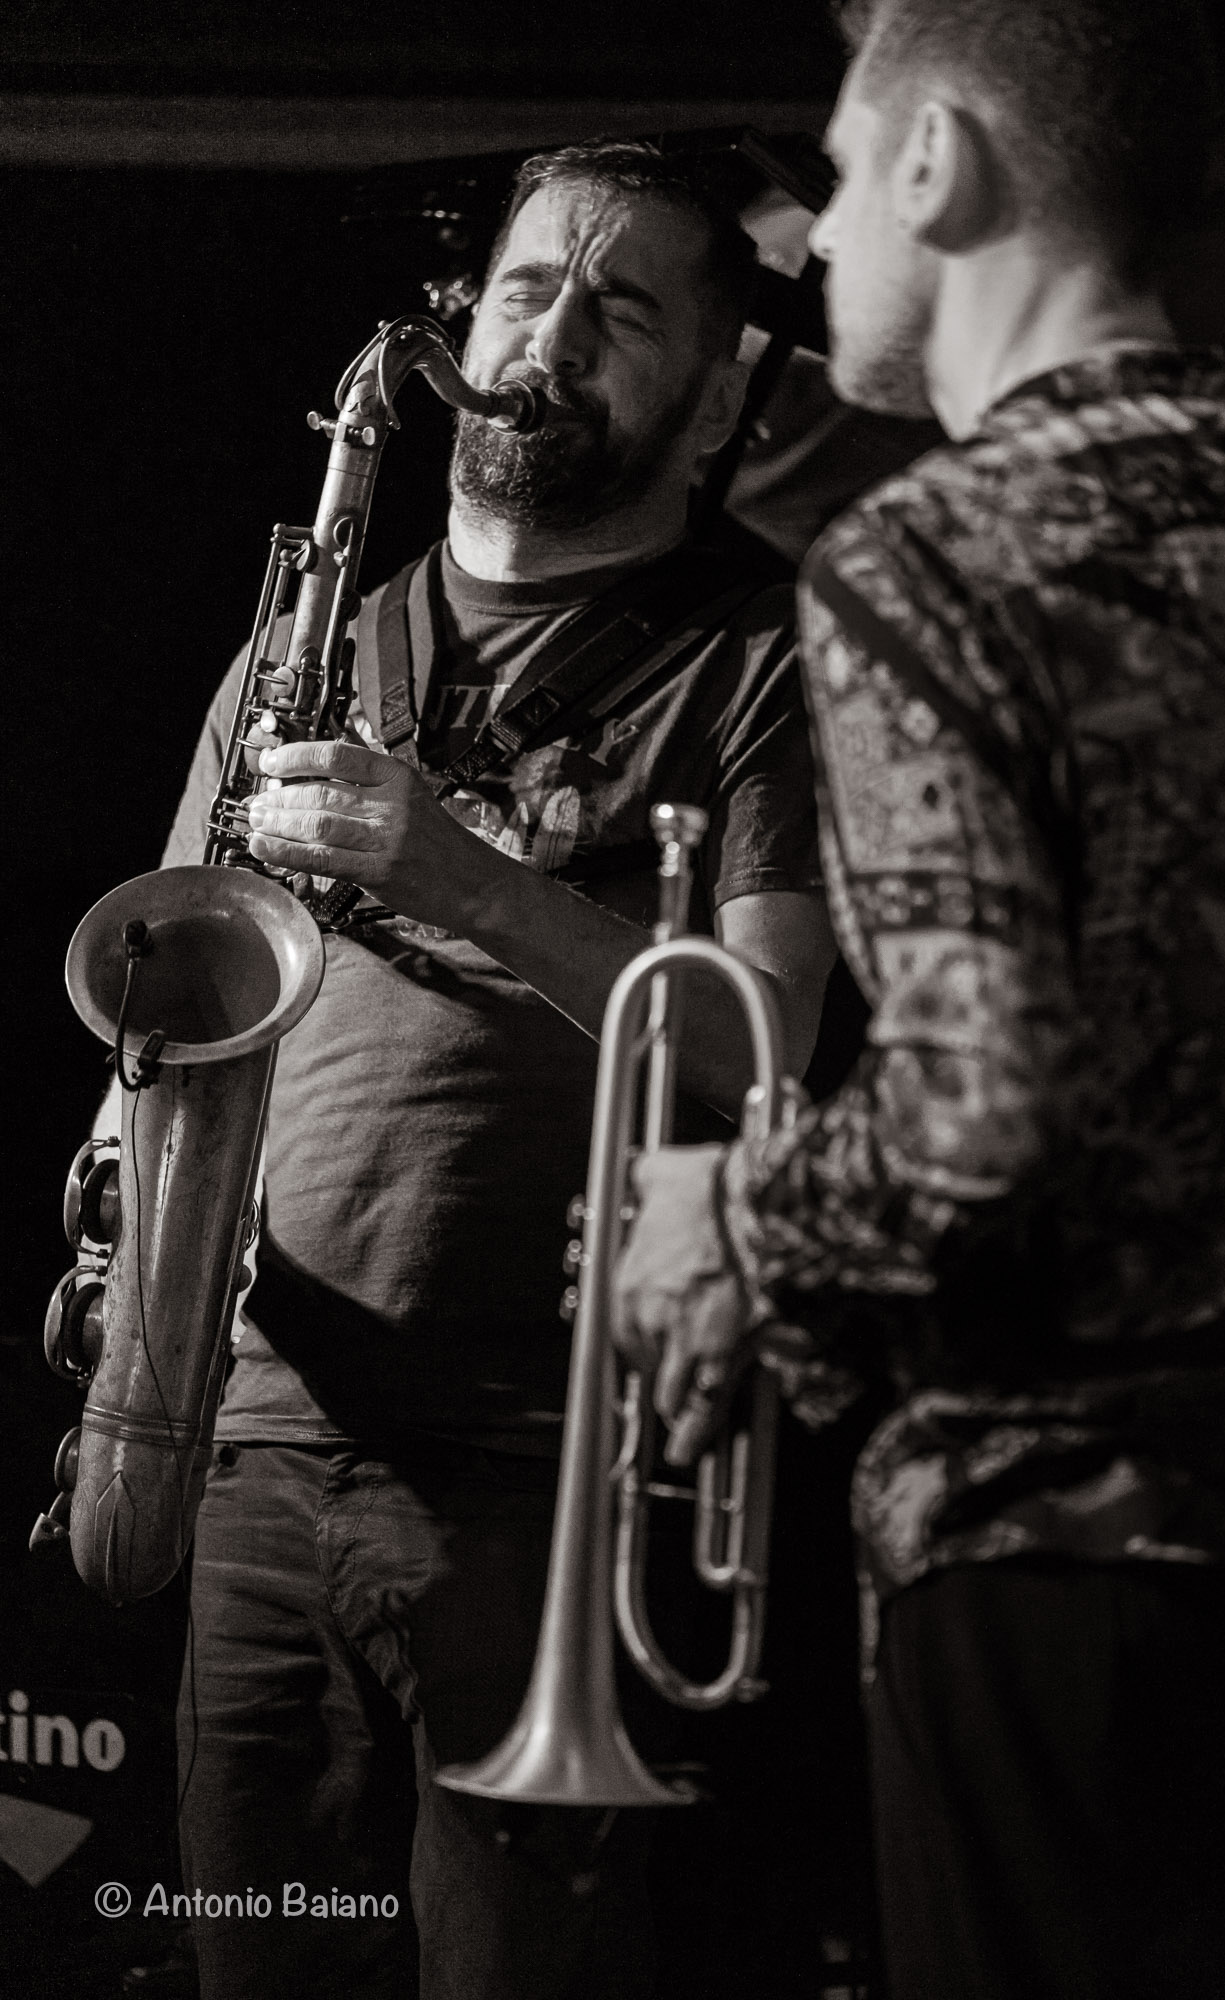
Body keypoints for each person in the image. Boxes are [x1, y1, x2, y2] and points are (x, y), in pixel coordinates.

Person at [614, 6, 1225, 1997]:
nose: (821, 237)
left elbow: (971, 1119)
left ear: (936, 165)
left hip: (1057, 1588)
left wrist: (724, 1220)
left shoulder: (928, 559)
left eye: (842, 179)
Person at [159, 140, 836, 2000]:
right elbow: (164, 990)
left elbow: (767, 1050)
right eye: (528, 290)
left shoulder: (768, 659)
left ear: (710, 408)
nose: (549, 341)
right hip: (270, 1437)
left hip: (557, 1474)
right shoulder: (312, 639)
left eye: (622, 314)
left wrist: (457, 875)